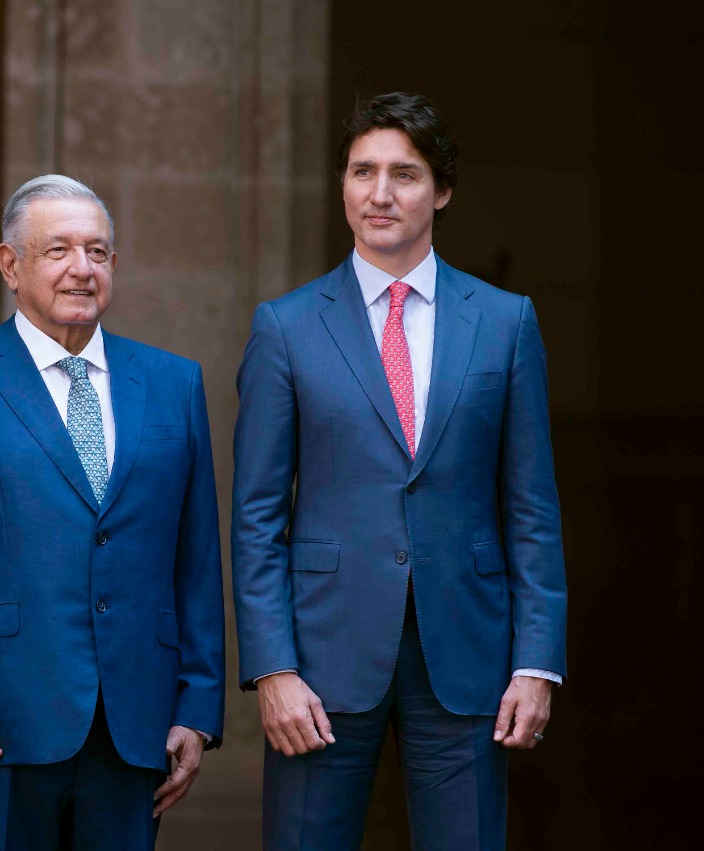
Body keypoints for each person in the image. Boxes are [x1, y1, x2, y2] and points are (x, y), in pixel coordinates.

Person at [231, 92, 567, 849]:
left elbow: (533, 508)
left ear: (441, 191)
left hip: (470, 655)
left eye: (404, 174)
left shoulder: (507, 322)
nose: (380, 193)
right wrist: (272, 667)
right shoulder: (284, 327)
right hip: (320, 662)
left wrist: (537, 661)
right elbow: (256, 515)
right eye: (363, 171)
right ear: (344, 185)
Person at [0, 175, 225, 850]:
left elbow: (196, 562)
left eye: (98, 252)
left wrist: (198, 706)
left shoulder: (173, 383)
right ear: (10, 264)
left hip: (134, 727)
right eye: (59, 250)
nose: (82, 268)